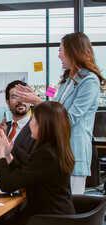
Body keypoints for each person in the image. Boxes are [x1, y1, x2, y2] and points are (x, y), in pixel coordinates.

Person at [14, 32, 105, 194]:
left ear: (73, 51)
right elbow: (55, 112)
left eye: (60, 50)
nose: (58, 55)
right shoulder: (67, 80)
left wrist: (38, 101)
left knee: (68, 209)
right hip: (57, 155)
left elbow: (68, 119)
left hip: (74, 155)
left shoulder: (89, 81)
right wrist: (37, 99)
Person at [0, 101, 75, 225]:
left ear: (44, 126)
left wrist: (0, 150)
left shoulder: (47, 154)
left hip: (47, 223)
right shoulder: (55, 149)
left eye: (34, 120)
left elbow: (8, 184)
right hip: (54, 217)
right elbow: (27, 173)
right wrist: (8, 154)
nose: (30, 124)